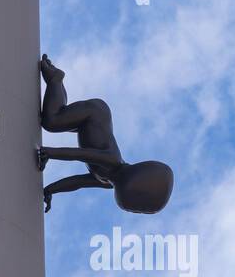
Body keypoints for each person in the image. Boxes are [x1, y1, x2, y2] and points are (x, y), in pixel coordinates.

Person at [37, 54, 174, 215]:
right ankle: (56, 79)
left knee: (59, 115)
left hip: (87, 123)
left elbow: (78, 182)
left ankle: (57, 81)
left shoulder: (108, 181)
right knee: (51, 121)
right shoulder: (113, 160)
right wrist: (50, 153)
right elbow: (80, 154)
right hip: (94, 114)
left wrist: (50, 190)